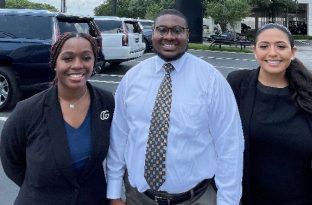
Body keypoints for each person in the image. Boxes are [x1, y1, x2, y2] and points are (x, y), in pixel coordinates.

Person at [106, 9, 244, 205]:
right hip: (138, 198)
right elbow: (119, 138)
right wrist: (113, 191)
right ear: (152, 33)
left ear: (188, 34)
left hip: (196, 198)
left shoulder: (211, 80)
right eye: (162, 30)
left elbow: (230, 146)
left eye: (177, 30)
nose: (169, 36)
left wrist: (228, 201)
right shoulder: (131, 79)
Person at [226, 23, 312, 205]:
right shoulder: (238, 84)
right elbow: (217, 140)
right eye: (264, 46)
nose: (272, 53)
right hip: (247, 200)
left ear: (292, 52)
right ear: (254, 51)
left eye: (281, 46)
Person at [0, 32, 115, 205]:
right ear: (55, 63)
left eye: (86, 57)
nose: (77, 65)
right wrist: (40, 187)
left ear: (94, 61)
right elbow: (11, 162)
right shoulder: (27, 111)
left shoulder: (106, 102)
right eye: (68, 58)